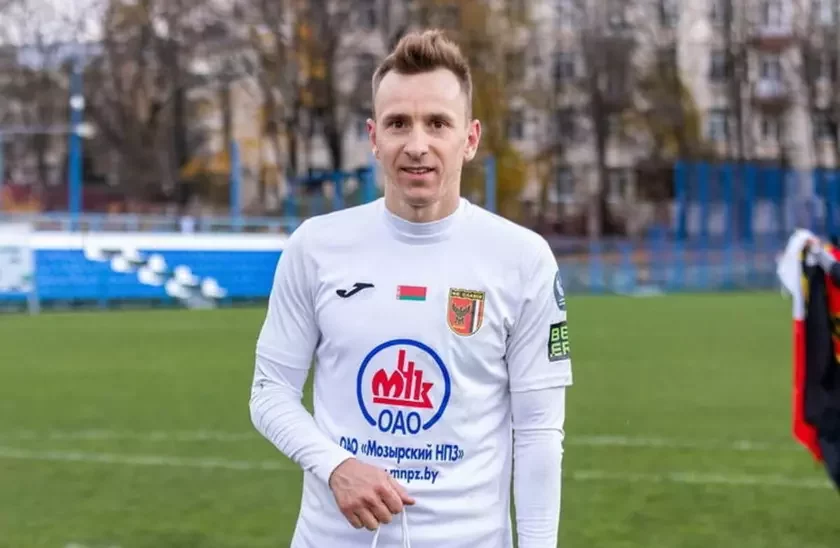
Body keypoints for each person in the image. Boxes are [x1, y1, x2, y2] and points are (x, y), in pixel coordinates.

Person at [250, 29, 572, 547]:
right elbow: (269, 393)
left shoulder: (523, 259)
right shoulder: (315, 247)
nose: (417, 145)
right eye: (398, 123)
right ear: (374, 137)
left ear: (470, 139)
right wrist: (336, 466)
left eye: (437, 123)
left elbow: (538, 432)